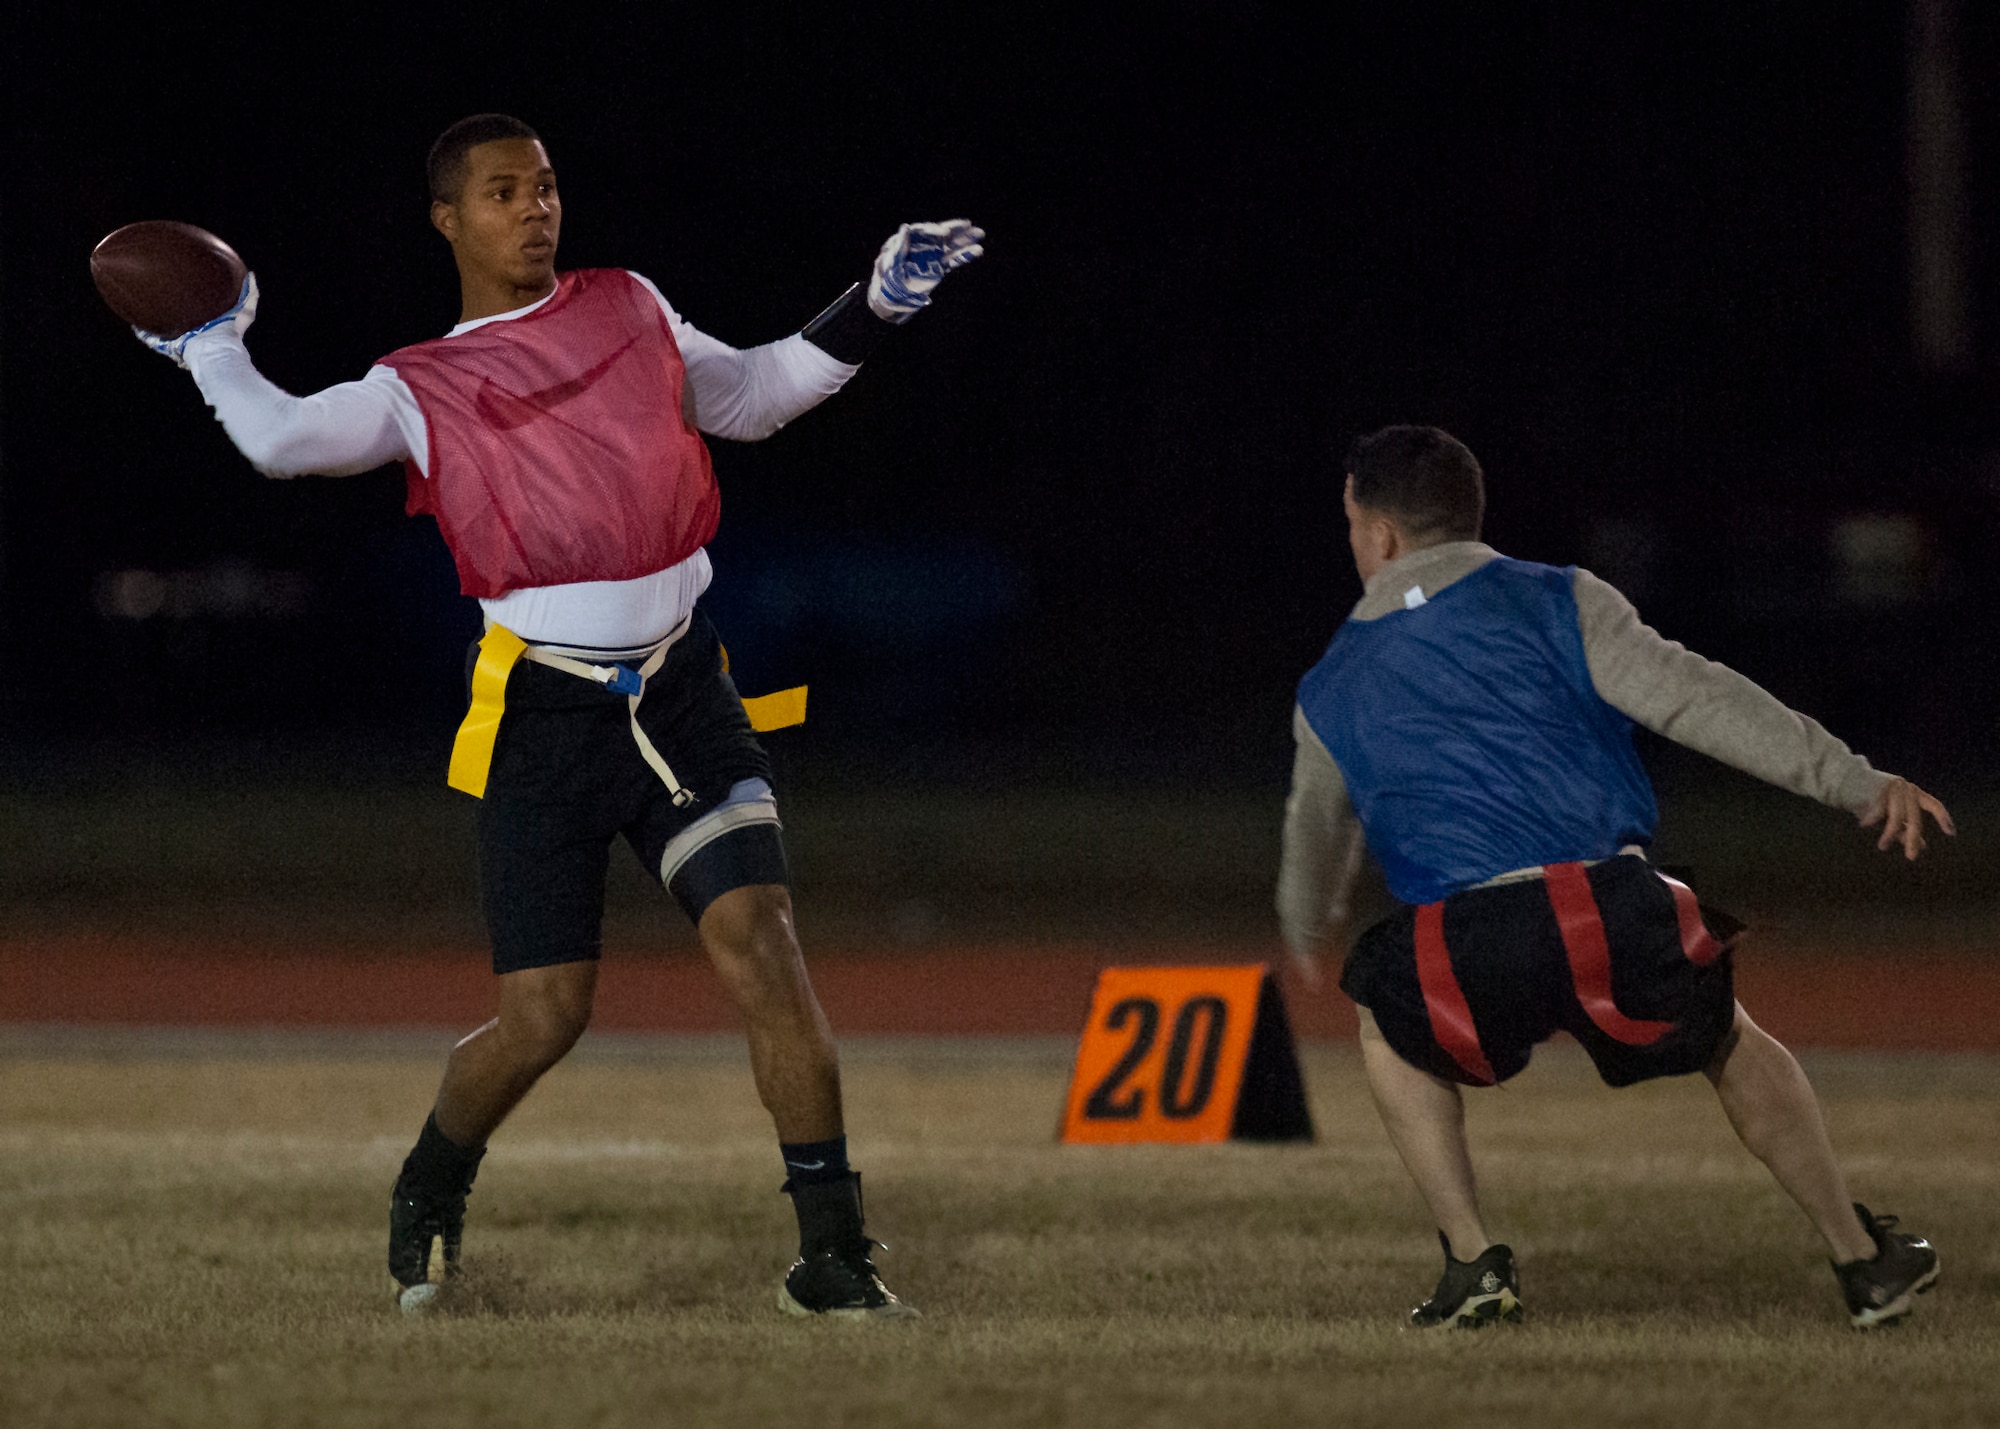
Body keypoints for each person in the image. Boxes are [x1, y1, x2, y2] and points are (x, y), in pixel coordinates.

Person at [133, 112, 984, 1320]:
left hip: (684, 691)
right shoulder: (419, 384)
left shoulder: (628, 303)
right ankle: (429, 1185)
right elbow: (279, 440)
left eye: (543, 186)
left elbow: (752, 397)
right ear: (447, 219)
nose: (534, 208)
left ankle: (832, 1252)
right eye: (502, 191)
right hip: (543, 717)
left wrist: (878, 304)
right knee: (544, 1016)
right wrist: (210, 344)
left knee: (763, 940)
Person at [1276, 425, 1950, 1331]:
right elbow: (1701, 697)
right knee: (1729, 1038)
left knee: (1383, 1014)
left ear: (1384, 535)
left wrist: (1305, 918)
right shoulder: (1559, 597)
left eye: (1353, 524)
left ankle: (1474, 1263)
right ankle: (1862, 1259)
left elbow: (1316, 829)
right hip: (1607, 909)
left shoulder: (1331, 680)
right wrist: (1855, 781)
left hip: (1461, 947)